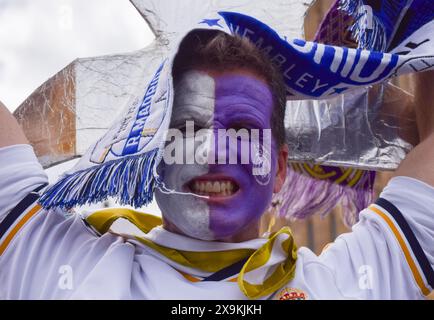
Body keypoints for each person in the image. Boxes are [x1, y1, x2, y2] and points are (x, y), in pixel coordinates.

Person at [0, 31, 433, 300]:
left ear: (280, 168)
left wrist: (411, 22)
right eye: (187, 128)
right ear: (152, 152)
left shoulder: (345, 283)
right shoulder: (52, 262)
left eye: (243, 129)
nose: (212, 152)